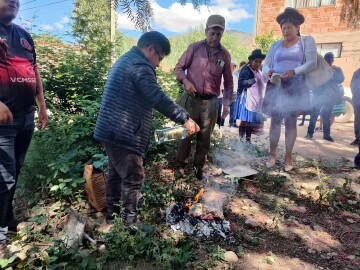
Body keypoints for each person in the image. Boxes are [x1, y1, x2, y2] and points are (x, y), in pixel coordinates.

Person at [94, 31, 200, 229]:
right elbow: (157, 97)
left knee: (116, 174)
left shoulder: (126, 60)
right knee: (133, 177)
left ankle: (113, 216)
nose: (159, 64)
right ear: (151, 49)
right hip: (122, 132)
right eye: (159, 57)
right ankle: (129, 225)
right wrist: (185, 119)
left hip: (110, 129)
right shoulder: (140, 65)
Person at [0, 0, 48, 243]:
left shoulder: (24, 36)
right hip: (2, 120)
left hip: (25, 116)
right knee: (4, 175)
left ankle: (6, 219)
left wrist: (42, 105)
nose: (14, 1)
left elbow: (34, 69)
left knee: (15, 171)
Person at [174, 14, 233, 180]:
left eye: (218, 34)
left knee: (205, 137)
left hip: (212, 103)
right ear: (206, 31)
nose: (214, 37)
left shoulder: (225, 56)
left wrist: (227, 104)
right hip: (191, 99)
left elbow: (228, 82)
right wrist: (185, 81)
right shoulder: (194, 48)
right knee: (185, 133)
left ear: (222, 34)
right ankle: (180, 165)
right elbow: (178, 68)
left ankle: (198, 168)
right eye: (212, 33)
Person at [262, 7, 317, 171]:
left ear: (298, 27)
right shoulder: (275, 45)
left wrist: (295, 71)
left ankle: (288, 157)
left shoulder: (306, 41)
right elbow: (266, 65)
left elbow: (311, 63)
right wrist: (268, 72)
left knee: (291, 122)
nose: (286, 31)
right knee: (275, 122)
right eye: (283, 28)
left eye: (289, 27)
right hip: (276, 84)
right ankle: (272, 155)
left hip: (295, 85)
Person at [305, 52, 344, 142]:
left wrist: (332, 72)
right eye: (329, 60)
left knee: (327, 116)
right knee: (314, 115)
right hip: (318, 95)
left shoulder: (336, 69)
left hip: (329, 97)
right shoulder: (319, 69)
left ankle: (326, 135)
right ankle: (309, 133)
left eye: (330, 60)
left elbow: (341, 79)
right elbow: (313, 79)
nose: (330, 61)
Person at [234, 49, 266, 143]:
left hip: (256, 100)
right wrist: (253, 81)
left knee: (250, 121)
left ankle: (247, 140)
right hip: (247, 99)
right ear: (251, 61)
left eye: (260, 62)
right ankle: (242, 140)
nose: (258, 63)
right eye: (256, 61)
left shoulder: (259, 71)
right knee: (246, 120)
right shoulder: (246, 70)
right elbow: (241, 82)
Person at [218, 61, 238, 128]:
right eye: (231, 66)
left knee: (233, 112)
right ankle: (221, 125)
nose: (232, 68)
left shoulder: (235, 77)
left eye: (233, 67)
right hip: (226, 95)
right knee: (225, 111)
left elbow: (237, 86)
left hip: (234, 95)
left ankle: (231, 125)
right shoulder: (224, 76)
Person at [350, 68, 360, 146]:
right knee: (357, 120)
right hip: (357, 100)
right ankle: (358, 138)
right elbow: (353, 86)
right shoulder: (357, 73)